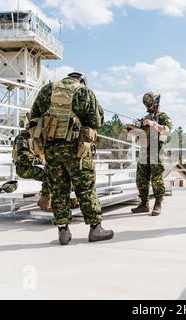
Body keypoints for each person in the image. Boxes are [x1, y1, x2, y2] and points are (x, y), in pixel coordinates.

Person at [30, 72, 113, 245]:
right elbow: (97, 121)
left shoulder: (47, 90)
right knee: (85, 188)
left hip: (52, 150)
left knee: (59, 191)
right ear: (81, 81)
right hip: (78, 151)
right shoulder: (84, 92)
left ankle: (63, 231)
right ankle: (95, 229)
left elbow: (34, 117)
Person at [130, 92, 173, 216]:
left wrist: (152, 123)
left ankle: (158, 204)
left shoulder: (163, 116)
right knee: (141, 179)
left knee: (157, 179)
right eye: (147, 105)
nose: (148, 108)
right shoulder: (146, 117)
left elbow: (167, 131)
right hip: (144, 150)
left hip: (157, 151)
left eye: (150, 105)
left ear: (155, 102)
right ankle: (144, 204)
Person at [12, 125, 52, 212]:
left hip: (35, 166)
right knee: (49, 176)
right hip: (24, 168)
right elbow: (23, 157)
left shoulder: (35, 137)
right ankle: (44, 202)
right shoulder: (22, 138)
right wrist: (42, 162)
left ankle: (69, 201)